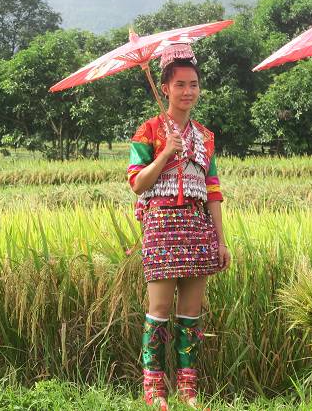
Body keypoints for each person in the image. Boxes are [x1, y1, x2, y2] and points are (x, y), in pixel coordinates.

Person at [126, 44, 230, 409]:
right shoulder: (149, 131)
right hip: (161, 225)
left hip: (197, 226)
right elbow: (137, 183)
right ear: (166, 88)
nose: (188, 92)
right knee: (158, 309)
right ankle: (153, 388)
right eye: (181, 85)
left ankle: (188, 387)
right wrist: (166, 153)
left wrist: (221, 239)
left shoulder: (205, 136)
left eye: (194, 85)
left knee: (190, 312)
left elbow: (213, 191)